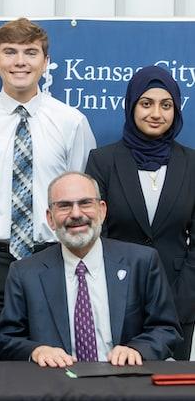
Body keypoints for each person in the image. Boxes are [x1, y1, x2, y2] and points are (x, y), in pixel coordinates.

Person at [0, 18, 96, 360]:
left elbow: (81, 191)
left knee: (55, 360)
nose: (20, 61)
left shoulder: (71, 121)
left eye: (31, 53)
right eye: (10, 52)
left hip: (53, 257)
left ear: (45, 63)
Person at [0, 172, 182, 367]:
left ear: (102, 211)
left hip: (125, 380)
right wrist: (36, 351)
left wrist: (137, 349)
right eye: (64, 206)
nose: (76, 214)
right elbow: (5, 340)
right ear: (50, 218)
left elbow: (166, 329)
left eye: (85, 203)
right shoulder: (24, 273)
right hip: (55, 384)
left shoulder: (142, 262)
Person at [85, 65, 195, 360]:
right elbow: (95, 232)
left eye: (166, 105)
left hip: (178, 299)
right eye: (146, 103)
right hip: (115, 297)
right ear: (131, 106)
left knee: (170, 387)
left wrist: (182, 297)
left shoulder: (192, 163)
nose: (156, 113)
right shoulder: (102, 161)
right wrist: (110, 291)